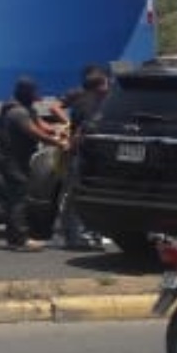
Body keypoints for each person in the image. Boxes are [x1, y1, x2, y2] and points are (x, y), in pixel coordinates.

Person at [0, 76, 64, 252]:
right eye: (34, 92)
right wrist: (58, 143)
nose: (36, 95)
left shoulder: (27, 109)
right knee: (19, 198)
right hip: (12, 160)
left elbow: (42, 126)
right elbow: (34, 132)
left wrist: (61, 128)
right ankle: (20, 239)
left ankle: (13, 238)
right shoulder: (17, 112)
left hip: (19, 159)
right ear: (26, 92)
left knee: (16, 198)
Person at [50, 64, 110, 250]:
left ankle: (68, 234)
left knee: (71, 195)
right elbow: (84, 129)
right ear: (101, 84)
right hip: (86, 155)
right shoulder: (94, 103)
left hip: (79, 153)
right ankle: (79, 236)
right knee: (81, 195)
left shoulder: (80, 100)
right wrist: (73, 143)